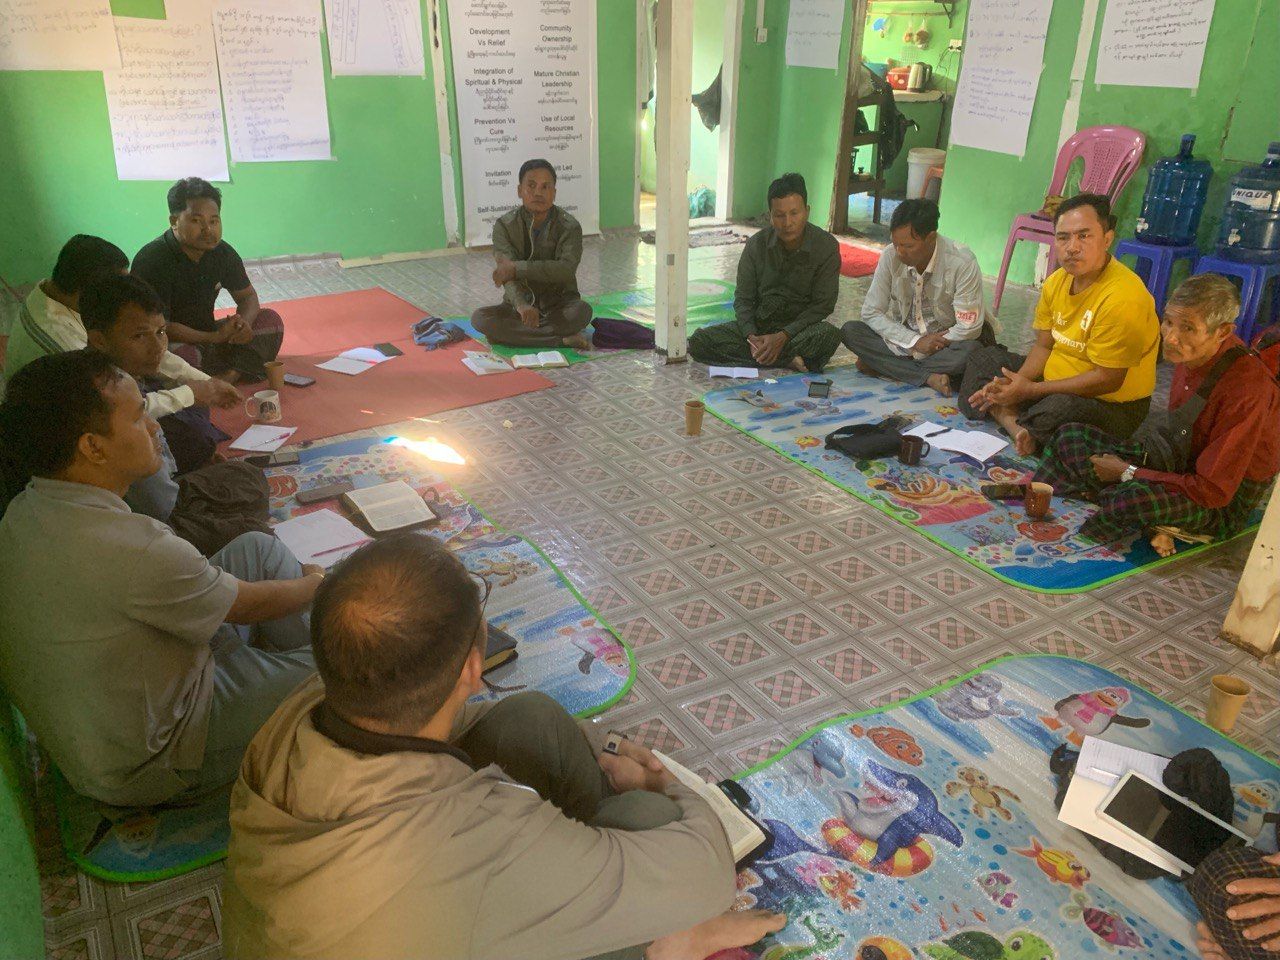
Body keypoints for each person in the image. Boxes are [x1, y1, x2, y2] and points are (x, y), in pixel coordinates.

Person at [221, 532, 785, 960]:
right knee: (647, 814)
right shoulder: (474, 832)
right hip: (441, 891)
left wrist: (610, 745)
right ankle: (669, 942)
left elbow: (466, 724)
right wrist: (665, 783)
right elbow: (706, 875)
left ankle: (597, 869)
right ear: (474, 665)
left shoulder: (305, 705)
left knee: (529, 718)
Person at [0, 350, 320, 807]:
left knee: (257, 547)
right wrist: (318, 582)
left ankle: (298, 670)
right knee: (345, 674)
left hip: (116, 710)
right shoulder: (132, 544)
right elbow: (248, 605)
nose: (154, 428)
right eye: (138, 419)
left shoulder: (26, 507)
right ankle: (314, 682)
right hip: (154, 754)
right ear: (93, 447)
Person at [1034, 274, 1280, 558]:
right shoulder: (1191, 353)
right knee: (1070, 436)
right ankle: (1138, 511)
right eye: (1169, 322)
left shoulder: (1247, 388)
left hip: (1220, 500)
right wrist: (1134, 471)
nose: (1172, 337)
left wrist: (1128, 473)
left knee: (1132, 499)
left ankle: (1112, 511)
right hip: (1180, 462)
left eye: (1188, 328)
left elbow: (1213, 491)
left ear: (1222, 332)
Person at [81, 274, 270, 553]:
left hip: (161, 493)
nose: (157, 346)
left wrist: (207, 387)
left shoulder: (112, 372)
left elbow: (171, 366)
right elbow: (159, 504)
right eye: (139, 336)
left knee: (246, 478)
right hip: (151, 522)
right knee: (256, 535)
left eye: (160, 332)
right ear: (99, 340)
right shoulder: (108, 398)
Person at [959, 194, 1159, 455]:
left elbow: (1107, 380)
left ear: (1107, 239)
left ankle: (1010, 413)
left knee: (1059, 412)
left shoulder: (1123, 296)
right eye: (1063, 237)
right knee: (983, 358)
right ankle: (1017, 424)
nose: (1072, 247)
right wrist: (1017, 382)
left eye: (1084, 236)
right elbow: (1043, 347)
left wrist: (1030, 390)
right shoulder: (1056, 282)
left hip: (1110, 402)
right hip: (1053, 381)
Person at [2, 234, 236, 421]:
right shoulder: (60, 340)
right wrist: (190, 394)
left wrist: (206, 384)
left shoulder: (53, 292)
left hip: (109, 388)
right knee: (187, 428)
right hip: (77, 419)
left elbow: (148, 348)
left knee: (189, 405)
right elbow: (114, 409)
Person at [132, 177, 284, 384]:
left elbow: (248, 296)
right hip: (173, 341)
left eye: (214, 221)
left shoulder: (222, 252)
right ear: (174, 221)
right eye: (196, 221)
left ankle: (228, 376)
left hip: (210, 335)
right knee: (172, 356)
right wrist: (214, 338)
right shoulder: (153, 259)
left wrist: (243, 326)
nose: (208, 230)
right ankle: (221, 374)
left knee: (270, 321)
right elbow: (160, 326)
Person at [689, 173, 842, 373]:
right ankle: (786, 359)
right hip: (759, 329)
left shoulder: (826, 247)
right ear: (770, 216)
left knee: (829, 334)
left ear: (807, 211)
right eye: (779, 215)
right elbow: (743, 299)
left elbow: (823, 305)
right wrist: (751, 336)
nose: (787, 222)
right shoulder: (756, 245)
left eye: (794, 213)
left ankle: (772, 355)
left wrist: (783, 336)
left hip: (798, 331)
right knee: (699, 342)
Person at [841, 198, 990, 395]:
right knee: (851, 331)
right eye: (895, 244)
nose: (900, 252)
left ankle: (887, 367)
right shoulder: (890, 256)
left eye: (908, 246)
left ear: (930, 238)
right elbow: (871, 312)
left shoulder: (961, 262)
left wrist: (931, 344)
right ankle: (928, 377)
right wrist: (915, 342)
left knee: (969, 352)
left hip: (944, 347)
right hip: (905, 344)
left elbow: (968, 328)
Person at [471, 159, 593, 352]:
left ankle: (515, 336)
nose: (538, 193)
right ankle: (560, 340)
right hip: (517, 308)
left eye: (546, 187)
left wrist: (517, 269)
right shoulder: (504, 225)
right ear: (520, 190)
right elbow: (506, 274)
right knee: (480, 318)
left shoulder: (569, 226)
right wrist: (522, 306)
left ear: (554, 193)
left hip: (559, 305)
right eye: (531, 185)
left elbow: (566, 270)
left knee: (582, 312)